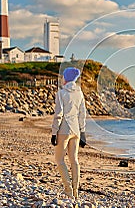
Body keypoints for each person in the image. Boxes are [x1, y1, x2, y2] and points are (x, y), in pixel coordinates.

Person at [51, 67, 87, 199]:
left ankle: (68, 189)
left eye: (63, 76)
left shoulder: (61, 93)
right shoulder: (79, 93)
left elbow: (58, 114)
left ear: (66, 78)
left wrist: (54, 132)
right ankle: (76, 190)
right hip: (76, 130)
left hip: (64, 130)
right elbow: (82, 114)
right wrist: (83, 132)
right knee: (74, 160)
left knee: (59, 159)